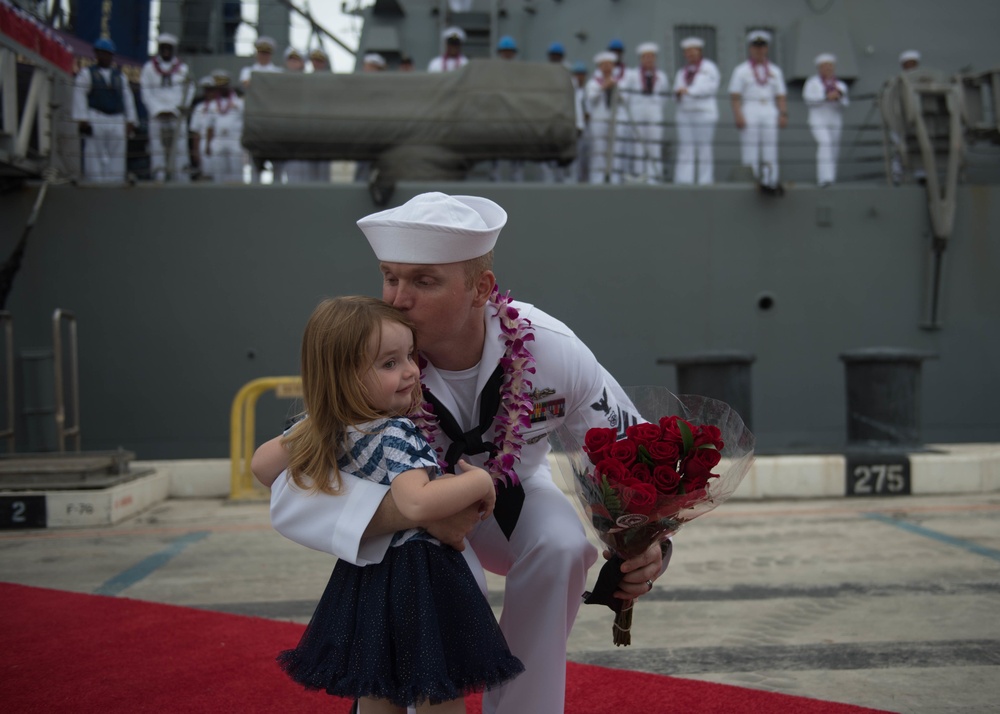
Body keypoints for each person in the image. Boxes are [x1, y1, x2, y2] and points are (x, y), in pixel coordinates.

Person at [253, 192, 669, 714]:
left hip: (512, 492)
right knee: (436, 566)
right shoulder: (376, 363)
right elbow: (296, 484)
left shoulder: (548, 347)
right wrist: (412, 513)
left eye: (423, 281)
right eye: (390, 276)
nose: (398, 298)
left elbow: (629, 448)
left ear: (481, 289)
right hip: (411, 527)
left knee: (563, 546)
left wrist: (648, 543)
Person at [275, 295, 524, 712]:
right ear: (343, 378)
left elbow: (263, 467)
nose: (410, 371)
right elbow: (417, 504)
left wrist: (318, 425)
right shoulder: (395, 433)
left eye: (409, 355)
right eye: (389, 364)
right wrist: (479, 480)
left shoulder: (327, 429)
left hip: (366, 578)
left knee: (378, 686)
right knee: (437, 688)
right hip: (420, 578)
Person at [71, 38, 138, 183]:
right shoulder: (87, 73)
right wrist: (82, 119)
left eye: (107, 54)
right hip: (96, 116)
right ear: (96, 54)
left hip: (117, 118)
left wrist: (131, 120)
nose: (104, 57)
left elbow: (128, 99)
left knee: (117, 152)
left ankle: (116, 182)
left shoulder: (120, 76)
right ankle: (94, 182)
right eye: (101, 53)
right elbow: (80, 95)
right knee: (94, 152)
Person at [728, 30, 787, 188]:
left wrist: (783, 114)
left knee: (770, 146)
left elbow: (780, 95)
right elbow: (735, 95)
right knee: (749, 147)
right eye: (756, 46)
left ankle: (771, 180)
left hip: (769, 109)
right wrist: (738, 114)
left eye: (762, 46)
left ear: (766, 48)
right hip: (750, 109)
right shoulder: (741, 70)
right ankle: (750, 180)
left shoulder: (775, 71)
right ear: (750, 48)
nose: (759, 50)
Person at [139, 33, 193, 182]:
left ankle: (181, 179)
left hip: (176, 114)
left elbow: (189, 90)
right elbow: (146, 92)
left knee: (180, 149)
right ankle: (159, 178)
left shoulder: (183, 69)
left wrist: (178, 109)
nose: (166, 51)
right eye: (163, 48)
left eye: (169, 48)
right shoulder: (149, 68)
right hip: (157, 115)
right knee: (157, 149)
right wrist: (157, 110)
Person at [672, 36, 720, 185]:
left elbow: (709, 88)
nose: (690, 54)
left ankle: (705, 180)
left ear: (699, 52)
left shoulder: (709, 68)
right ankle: (684, 180)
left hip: (703, 113)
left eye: (693, 51)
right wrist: (679, 94)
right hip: (685, 113)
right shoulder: (681, 72)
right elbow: (675, 91)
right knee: (686, 148)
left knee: (704, 148)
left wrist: (688, 91)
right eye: (687, 52)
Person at [622, 42, 668, 183]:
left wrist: (655, 108)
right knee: (638, 146)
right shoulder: (631, 75)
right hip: (637, 112)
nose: (648, 59)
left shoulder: (661, 76)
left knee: (654, 145)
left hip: (654, 112)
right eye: (645, 57)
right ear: (640, 59)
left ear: (655, 58)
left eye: (651, 57)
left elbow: (664, 96)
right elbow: (624, 93)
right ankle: (639, 176)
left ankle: (654, 177)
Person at [803, 53, 849, 186]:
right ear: (819, 68)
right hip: (818, 118)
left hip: (834, 118)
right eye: (825, 66)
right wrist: (825, 96)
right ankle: (824, 178)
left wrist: (838, 97)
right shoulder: (812, 83)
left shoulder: (840, 85)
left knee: (834, 147)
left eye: (830, 66)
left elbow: (845, 103)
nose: (828, 69)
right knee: (825, 143)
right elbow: (809, 100)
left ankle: (832, 177)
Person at [587, 51, 629, 184]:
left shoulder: (621, 82)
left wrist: (614, 87)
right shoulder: (593, 83)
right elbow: (591, 98)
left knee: (615, 150)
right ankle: (597, 179)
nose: (607, 67)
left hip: (615, 120)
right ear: (599, 67)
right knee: (599, 151)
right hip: (599, 120)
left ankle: (615, 178)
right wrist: (603, 87)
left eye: (609, 64)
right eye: (603, 65)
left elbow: (625, 99)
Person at [203, 70, 244, 184]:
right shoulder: (212, 105)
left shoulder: (240, 103)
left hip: (235, 139)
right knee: (218, 173)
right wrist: (207, 144)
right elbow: (209, 126)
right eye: (218, 87)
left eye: (223, 86)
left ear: (228, 86)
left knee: (236, 173)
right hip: (218, 139)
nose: (221, 89)